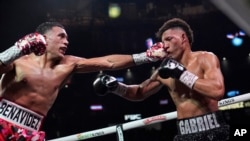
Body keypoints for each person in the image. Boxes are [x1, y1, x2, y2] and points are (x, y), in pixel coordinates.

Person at [0, 21, 167, 141]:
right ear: (44, 38)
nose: (67, 42)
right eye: (61, 36)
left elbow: (108, 62)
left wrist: (146, 56)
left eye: (67, 38)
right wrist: (16, 49)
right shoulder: (20, 60)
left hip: (30, 131)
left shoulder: (69, 64)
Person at [93, 18, 230, 141]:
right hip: (185, 134)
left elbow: (217, 91)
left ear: (183, 38)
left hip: (213, 129)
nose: (164, 45)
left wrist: (180, 73)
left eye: (169, 39)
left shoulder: (205, 58)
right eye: (163, 41)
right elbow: (139, 92)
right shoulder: (163, 71)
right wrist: (116, 87)